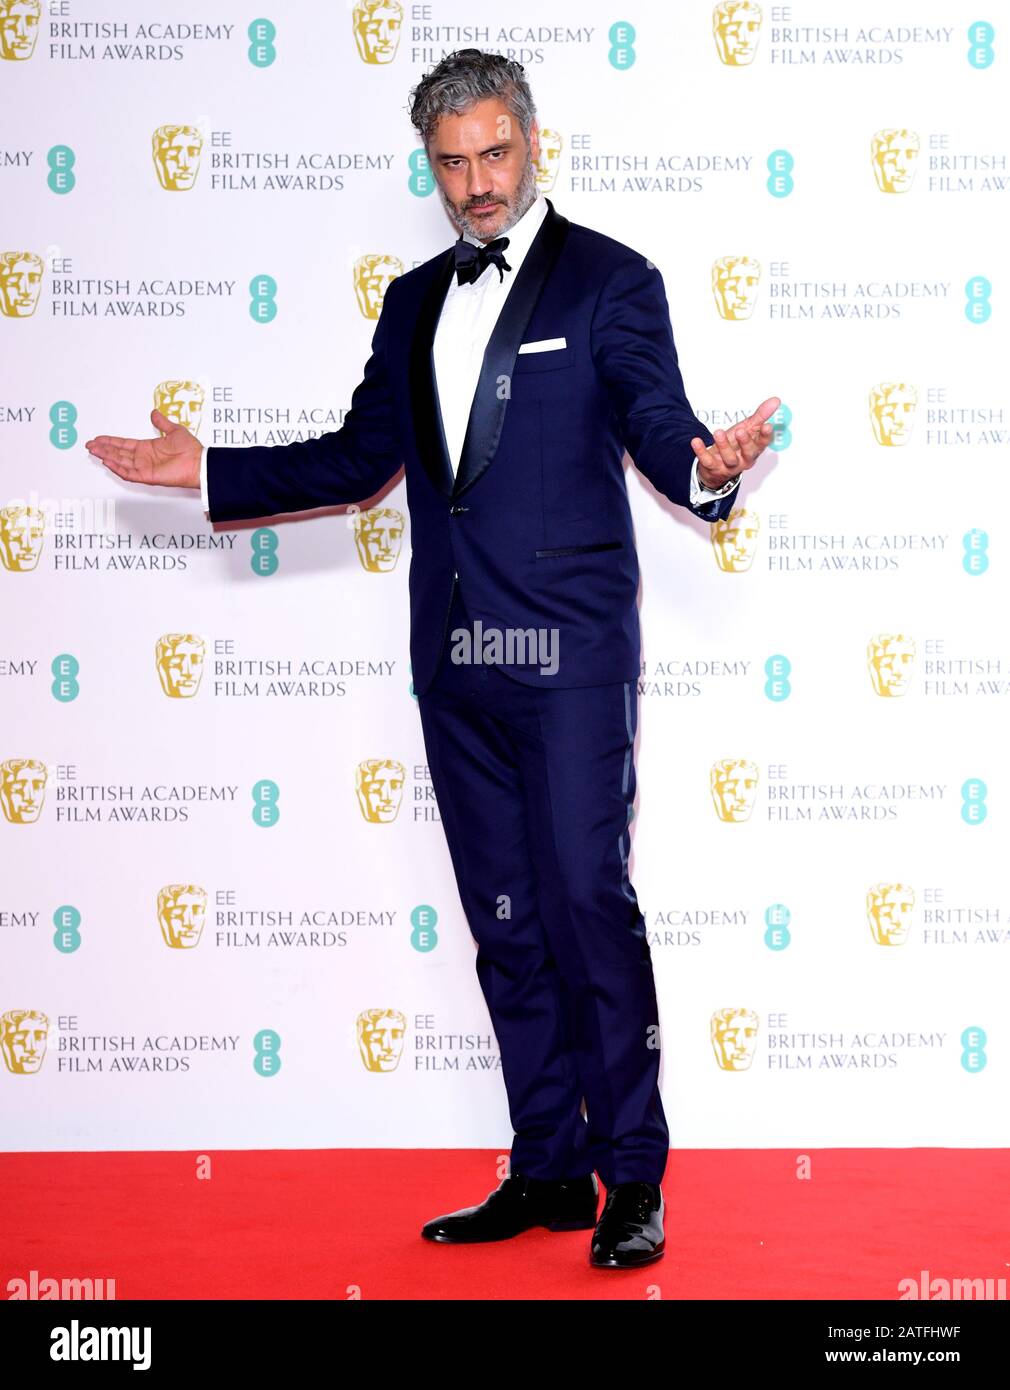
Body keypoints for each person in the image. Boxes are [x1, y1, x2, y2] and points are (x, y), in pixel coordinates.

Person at [86, 47, 777, 1270]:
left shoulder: (612, 282)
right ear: (431, 167)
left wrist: (702, 474)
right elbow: (359, 459)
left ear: (530, 141)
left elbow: (659, 425)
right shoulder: (410, 301)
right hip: (453, 665)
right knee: (504, 924)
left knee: (584, 906)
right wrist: (207, 471)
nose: (476, 185)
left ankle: (631, 1180)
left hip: (567, 664)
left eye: (494, 154)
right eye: (452, 164)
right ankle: (546, 1170)